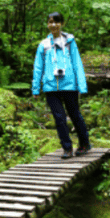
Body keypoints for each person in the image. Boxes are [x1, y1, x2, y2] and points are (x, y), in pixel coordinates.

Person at [32, 12, 91, 159]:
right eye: (50, 22)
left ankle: (84, 144)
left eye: (56, 22)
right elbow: (38, 67)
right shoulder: (43, 44)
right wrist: (35, 88)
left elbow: (77, 63)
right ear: (47, 24)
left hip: (69, 85)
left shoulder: (70, 42)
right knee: (59, 118)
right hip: (50, 87)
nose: (53, 25)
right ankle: (67, 148)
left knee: (75, 115)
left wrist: (82, 85)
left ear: (62, 24)